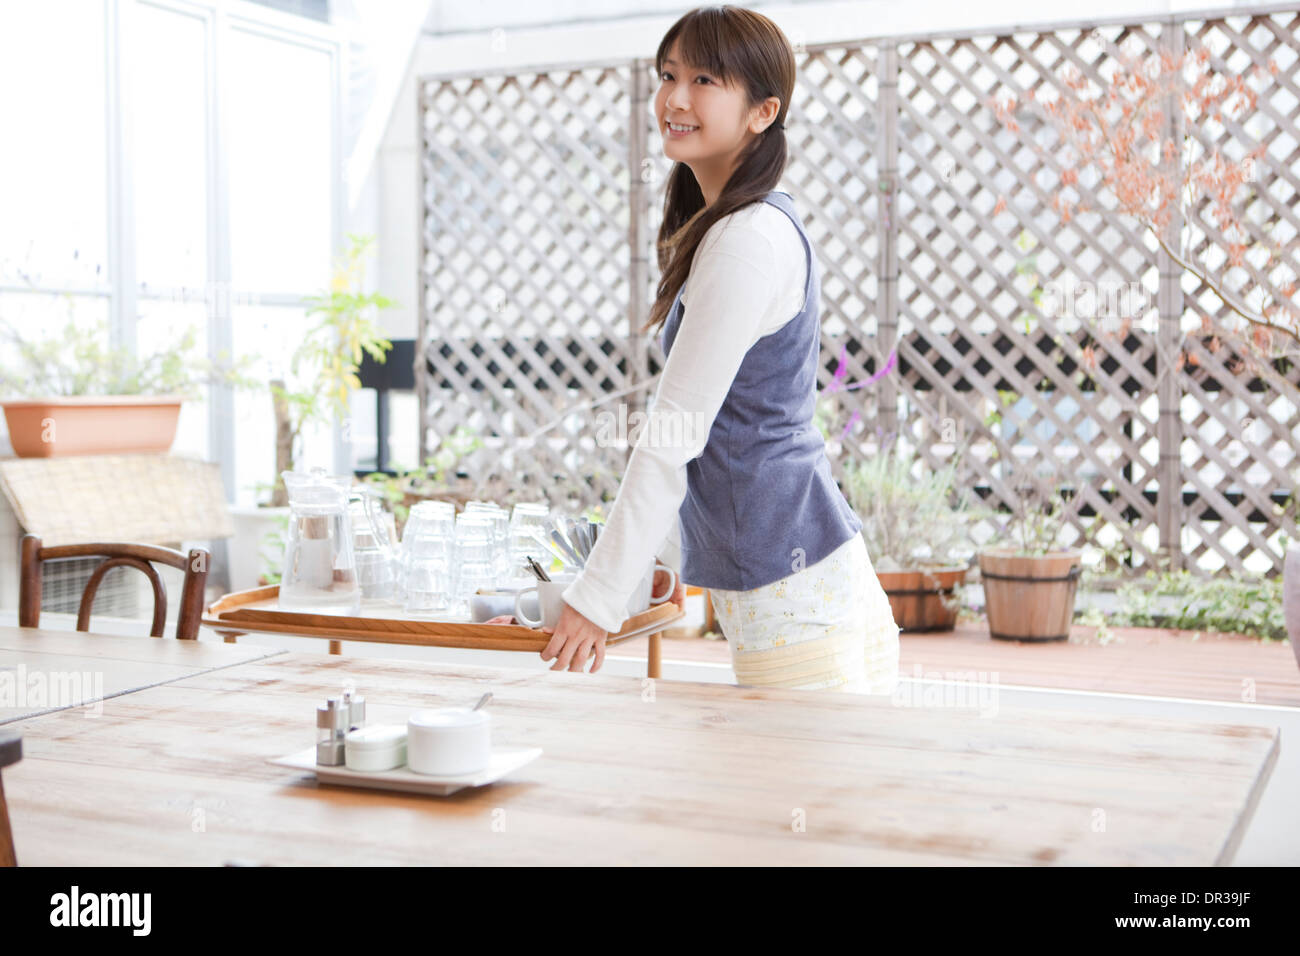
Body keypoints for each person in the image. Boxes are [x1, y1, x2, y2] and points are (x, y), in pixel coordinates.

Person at [540, 5, 900, 694]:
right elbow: (720, 440)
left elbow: (673, 439)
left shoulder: (748, 241)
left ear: (763, 112)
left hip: (799, 610)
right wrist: (648, 567)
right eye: (668, 74)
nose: (675, 97)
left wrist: (596, 598)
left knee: (783, 803)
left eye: (704, 79)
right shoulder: (737, 227)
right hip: (806, 592)